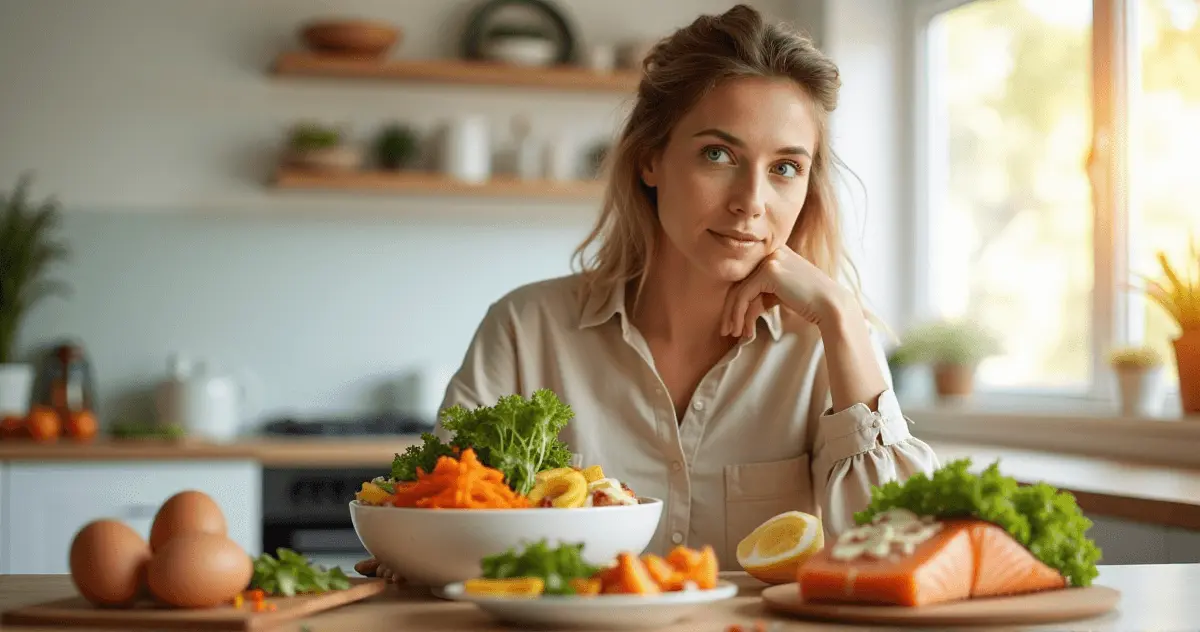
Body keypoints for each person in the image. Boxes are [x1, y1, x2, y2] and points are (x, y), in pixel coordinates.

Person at [355, 3, 938, 581]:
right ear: (650, 160)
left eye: (785, 167)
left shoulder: (823, 348)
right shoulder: (524, 328)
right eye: (718, 154)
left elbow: (905, 546)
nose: (752, 201)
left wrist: (841, 317)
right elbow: (445, 524)